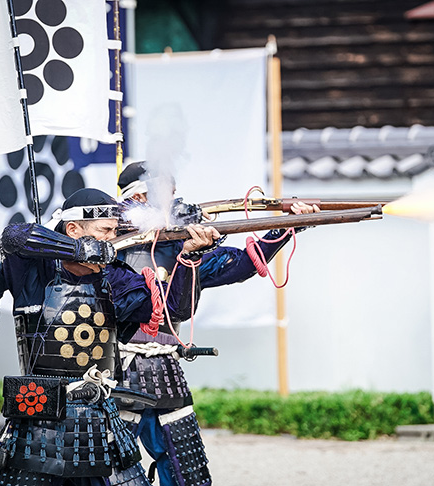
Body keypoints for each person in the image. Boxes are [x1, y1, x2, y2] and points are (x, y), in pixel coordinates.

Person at [0, 188, 220, 486]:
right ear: (73, 229)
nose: (112, 237)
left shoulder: (116, 276)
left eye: (114, 230)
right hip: (37, 423)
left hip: (101, 417)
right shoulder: (35, 269)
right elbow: (15, 236)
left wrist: (190, 258)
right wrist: (78, 251)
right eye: (104, 230)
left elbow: (174, 307)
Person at [114, 162, 319, 486]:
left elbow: (240, 265)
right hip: (116, 368)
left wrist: (286, 226)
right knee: (113, 471)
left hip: (166, 368)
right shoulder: (109, 240)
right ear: (139, 196)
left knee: (188, 471)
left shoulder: (183, 243)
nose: (173, 199)